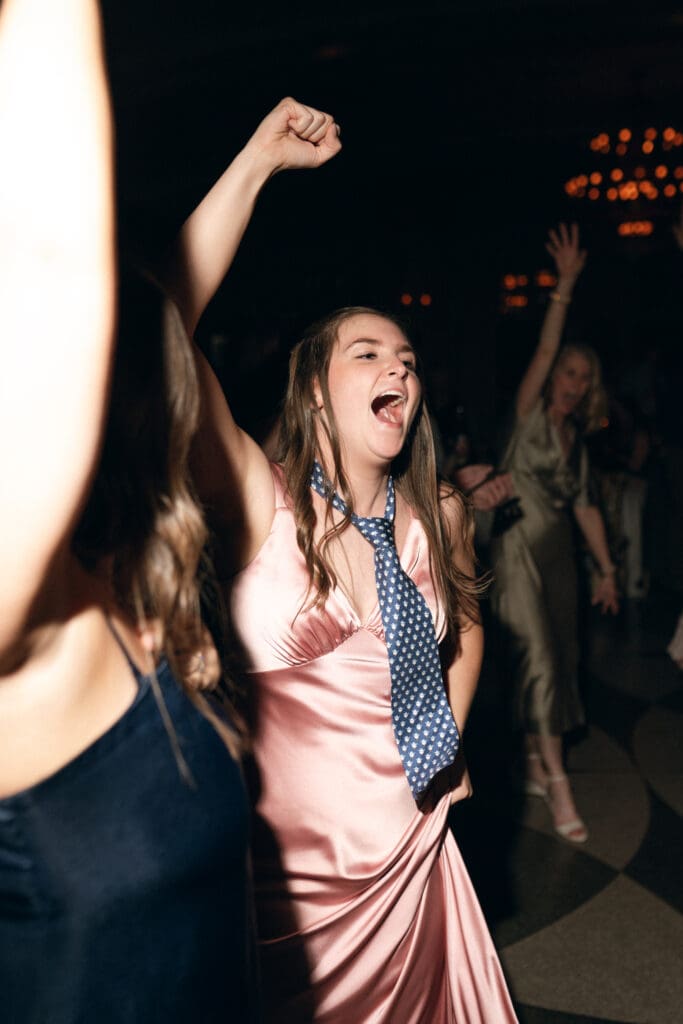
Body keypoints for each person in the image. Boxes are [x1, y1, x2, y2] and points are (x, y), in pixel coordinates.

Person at [161, 103, 517, 1022]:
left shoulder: (433, 515)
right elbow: (165, 325)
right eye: (368, 352)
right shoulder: (259, 505)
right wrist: (256, 162)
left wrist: (435, 758)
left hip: (418, 862)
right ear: (316, 390)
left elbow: (467, 633)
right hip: (292, 899)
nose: (398, 366)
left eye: (406, 356)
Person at [0, 3, 257, 1020]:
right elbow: (55, 264)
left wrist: (256, 161)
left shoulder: (122, 580)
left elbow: (154, 319)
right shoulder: (26, 622)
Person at [490, 223, 618, 844]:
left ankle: (539, 761)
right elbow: (541, 354)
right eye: (566, 372)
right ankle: (561, 783)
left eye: (581, 378)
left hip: (561, 556)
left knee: (556, 659)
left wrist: (608, 570)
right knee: (537, 656)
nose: (570, 382)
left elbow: (588, 507)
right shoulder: (529, 413)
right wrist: (563, 287)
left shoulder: (576, 440)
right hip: (517, 549)